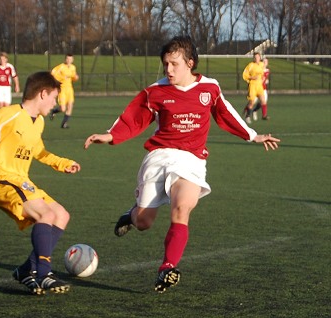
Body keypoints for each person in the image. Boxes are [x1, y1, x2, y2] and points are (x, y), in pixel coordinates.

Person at [84, 36, 280, 293]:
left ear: (190, 63)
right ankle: (131, 216)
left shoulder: (209, 89)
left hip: (192, 160)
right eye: (165, 64)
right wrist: (110, 135)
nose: (168, 70)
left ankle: (167, 267)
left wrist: (253, 135)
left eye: (174, 64)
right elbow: (134, 118)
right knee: (144, 222)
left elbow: (226, 114)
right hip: (159, 156)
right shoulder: (155, 91)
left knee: (182, 208)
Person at [0, 71, 81, 295]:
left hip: (21, 181)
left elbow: (38, 151)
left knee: (61, 215)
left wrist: (62, 163)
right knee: (46, 215)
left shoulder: (38, 122)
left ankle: (25, 270)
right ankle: (44, 273)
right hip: (0, 179)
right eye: (54, 97)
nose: (55, 103)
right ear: (43, 94)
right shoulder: (7, 115)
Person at [50, 54, 79, 128]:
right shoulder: (61, 67)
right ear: (65, 59)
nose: (69, 60)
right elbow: (52, 74)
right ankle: (54, 111)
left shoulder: (73, 67)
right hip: (62, 89)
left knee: (70, 106)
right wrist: (62, 77)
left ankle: (64, 123)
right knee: (63, 109)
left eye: (70, 59)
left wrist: (75, 77)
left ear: (72, 60)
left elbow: (73, 77)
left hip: (69, 89)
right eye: (67, 59)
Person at [242, 52, 268, 123]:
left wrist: (263, 78)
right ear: (253, 58)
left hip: (259, 85)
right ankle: (247, 116)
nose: (257, 58)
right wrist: (251, 77)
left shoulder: (261, 64)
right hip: (252, 86)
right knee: (251, 103)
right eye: (255, 57)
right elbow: (244, 75)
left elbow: (263, 70)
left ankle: (264, 116)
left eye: (258, 57)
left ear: (260, 58)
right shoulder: (250, 65)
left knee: (263, 100)